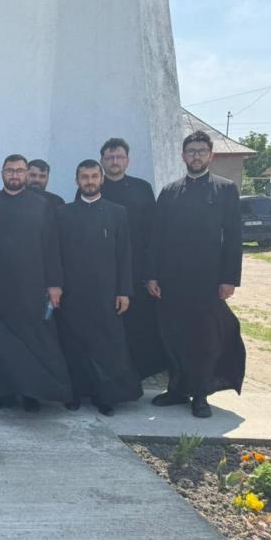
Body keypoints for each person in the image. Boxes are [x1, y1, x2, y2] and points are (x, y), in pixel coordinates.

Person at [146, 131, 246, 418]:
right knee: (172, 335)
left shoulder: (225, 190)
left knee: (204, 339)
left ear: (210, 155)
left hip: (208, 280)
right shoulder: (170, 192)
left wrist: (229, 278)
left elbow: (234, 237)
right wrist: (151, 275)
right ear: (183, 156)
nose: (196, 156)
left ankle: (200, 394)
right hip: (171, 279)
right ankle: (177, 389)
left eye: (202, 151)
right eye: (191, 151)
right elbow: (156, 237)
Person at [0, 154, 72, 411]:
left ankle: (30, 394)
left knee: (33, 342)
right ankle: (0, 393)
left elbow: (52, 248)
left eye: (19, 171)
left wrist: (55, 285)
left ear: (26, 174)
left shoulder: (42, 206)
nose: (14, 175)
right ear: (2, 173)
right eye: (10, 170)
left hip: (33, 285)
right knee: (0, 342)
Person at [55, 160, 142, 415]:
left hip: (107, 293)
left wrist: (124, 290)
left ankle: (105, 396)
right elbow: (54, 254)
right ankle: (74, 393)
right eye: (84, 177)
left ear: (101, 179)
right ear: (77, 181)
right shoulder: (63, 213)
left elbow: (124, 254)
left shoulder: (117, 213)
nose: (90, 181)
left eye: (94, 176)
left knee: (107, 346)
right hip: (72, 293)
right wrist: (55, 286)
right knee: (73, 345)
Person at [98, 137, 172, 379]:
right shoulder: (92, 188)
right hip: (103, 270)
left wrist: (152, 273)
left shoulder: (142, 188)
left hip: (137, 267)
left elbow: (154, 233)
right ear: (102, 161)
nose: (114, 161)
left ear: (127, 161)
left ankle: (139, 373)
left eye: (119, 157)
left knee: (138, 324)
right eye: (110, 157)